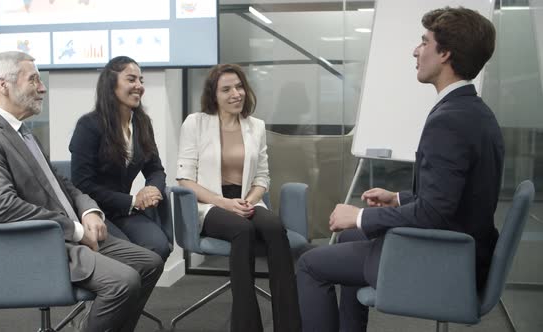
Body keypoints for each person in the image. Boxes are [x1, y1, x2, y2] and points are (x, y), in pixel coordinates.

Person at [296, 7, 504, 332]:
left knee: (310, 263)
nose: (416, 50)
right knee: (350, 237)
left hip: (441, 263)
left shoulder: (449, 120)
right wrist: (396, 197)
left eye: (424, 42)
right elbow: (452, 198)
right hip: (462, 252)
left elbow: (434, 213)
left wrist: (360, 216)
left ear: (445, 53)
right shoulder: (474, 111)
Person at [0, 51, 164, 332]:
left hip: (61, 235)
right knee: (123, 281)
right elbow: (3, 207)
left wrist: (88, 210)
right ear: (4, 85)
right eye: (34, 80)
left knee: (149, 262)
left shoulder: (21, 131)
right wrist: (75, 230)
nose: (42, 88)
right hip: (32, 245)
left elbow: (62, 184)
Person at [176, 64, 301, 332]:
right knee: (242, 229)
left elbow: (263, 178)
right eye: (226, 89)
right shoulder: (195, 123)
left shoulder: (256, 126)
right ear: (214, 95)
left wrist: (249, 200)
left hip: (246, 200)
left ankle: (289, 325)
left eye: (239, 86)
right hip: (210, 204)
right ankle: (246, 326)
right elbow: (185, 179)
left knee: (276, 228)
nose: (236, 93)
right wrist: (225, 204)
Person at [69, 56, 171, 261]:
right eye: (131, 79)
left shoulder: (142, 123)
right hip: (95, 211)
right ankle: (119, 293)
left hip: (123, 211)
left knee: (159, 247)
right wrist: (133, 200)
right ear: (111, 83)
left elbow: (155, 169)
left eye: (141, 80)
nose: (139, 86)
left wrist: (152, 188)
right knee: (133, 256)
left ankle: (132, 294)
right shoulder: (89, 125)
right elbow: (82, 184)